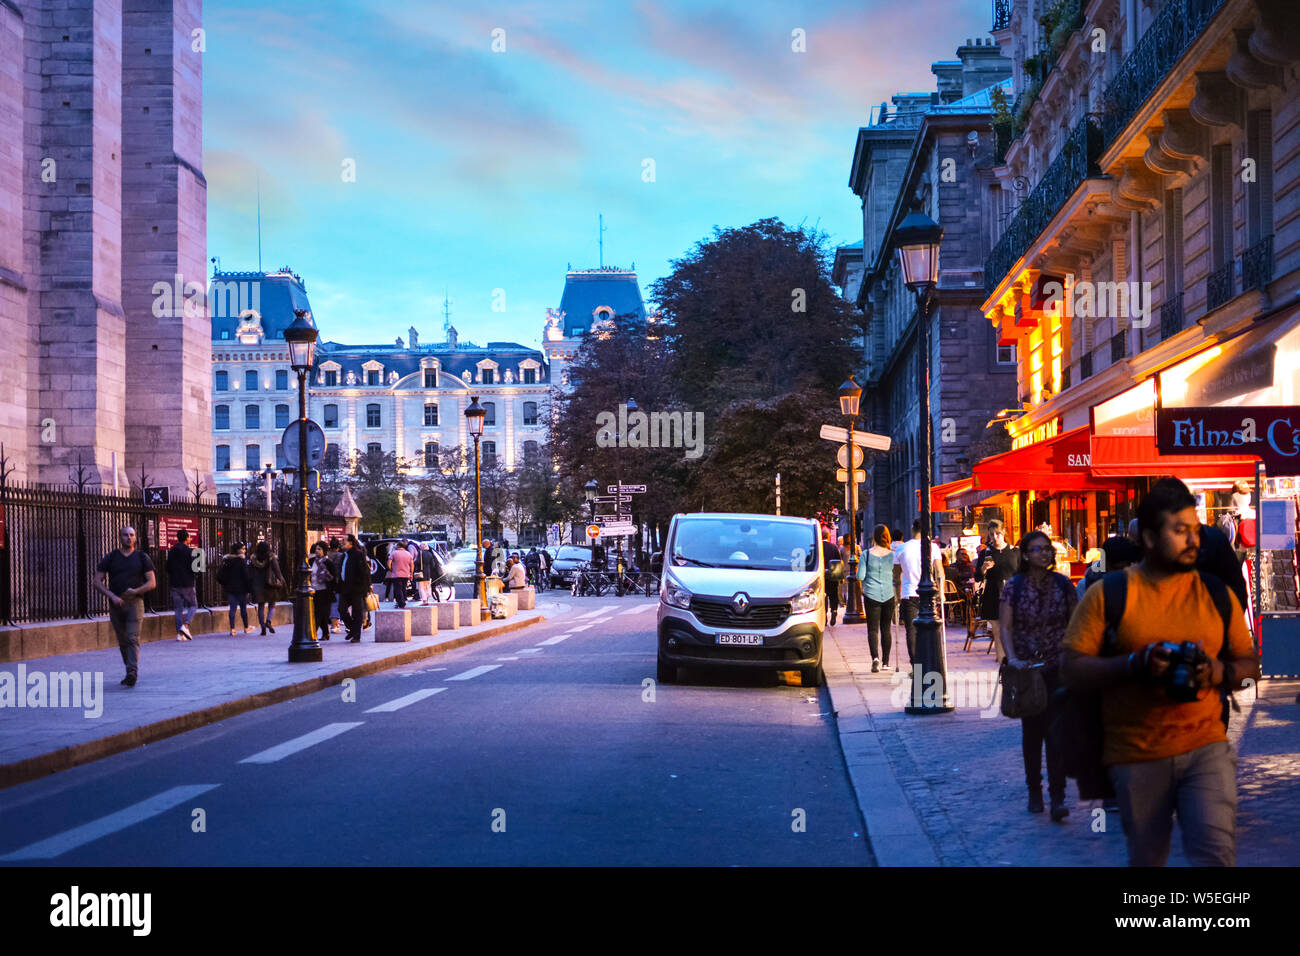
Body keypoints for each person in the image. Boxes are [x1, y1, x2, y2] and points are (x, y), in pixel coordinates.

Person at [1061, 478, 1261, 866]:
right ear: (1150, 538)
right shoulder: (1110, 594)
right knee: (1149, 857)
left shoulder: (1217, 595)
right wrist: (1135, 664)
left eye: (1196, 530)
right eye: (1179, 530)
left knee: (1216, 854)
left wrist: (1216, 672)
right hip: (1137, 754)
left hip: (1206, 747)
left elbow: (1250, 667)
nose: (1193, 540)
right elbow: (1070, 668)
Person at [1001, 530, 1079, 820]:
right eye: (1038, 549)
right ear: (1025, 555)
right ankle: (1034, 790)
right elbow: (1006, 626)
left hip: (1056, 667)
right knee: (1032, 735)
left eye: (1047, 549)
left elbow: (1075, 622)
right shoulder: (1015, 586)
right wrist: (1014, 659)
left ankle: (1057, 796)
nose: (1045, 553)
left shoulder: (1062, 584)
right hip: (1027, 672)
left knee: (1057, 735)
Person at [93, 526, 156, 687]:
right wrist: (112, 596)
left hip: (135, 603)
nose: (129, 538)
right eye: (125, 535)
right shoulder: (111, 557)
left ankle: (132, 673)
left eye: (132, 535)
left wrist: (135, 591)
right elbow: (97, 581)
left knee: (132, 638)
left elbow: (152, 583)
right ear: (119, 537)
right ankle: (129, 668)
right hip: (116, 605)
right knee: (122, 640)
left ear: (135, 538)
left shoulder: (142, 557)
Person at [894, 518, 944, 670]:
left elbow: (896, 576)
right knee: (932, 629)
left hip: (909, 593)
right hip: (929, 594)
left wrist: (897, 596)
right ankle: (932, 662)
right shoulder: (932, 547)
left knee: (912, 631)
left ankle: (916, 665)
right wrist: (941, 592)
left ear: (912, 529)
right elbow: (940, 572)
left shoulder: (902, 548)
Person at [975, 519, 1018, 660]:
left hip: (1013, 597)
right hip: (993, 596)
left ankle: (1013, 662)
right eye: (992, 534)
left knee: (1013, 632)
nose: (995, 537)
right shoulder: (985, 554)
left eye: (998, 533)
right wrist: (983, 568)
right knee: (998, 634)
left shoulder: (1015, 552)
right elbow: (977, 577)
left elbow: (1023, 574)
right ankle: (1003, 665)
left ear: (1004, 532)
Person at [857, 525, 895, 672]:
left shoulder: (866, 554)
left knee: (872, 629)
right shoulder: (892, 555)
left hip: (871, 595)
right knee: (886, 629)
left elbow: (860, 576)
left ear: (874, 537)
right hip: (888, 594)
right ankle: (886, 662)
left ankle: (875, 659)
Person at [338, 535, 373, 642]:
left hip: (357, 588)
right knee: (342, 609)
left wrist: (367, 586)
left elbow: (364, 572)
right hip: (345, 588)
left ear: (351, 543)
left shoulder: (357, 554)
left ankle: (356, 635)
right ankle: (353, 629)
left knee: (357, 612)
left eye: (344, 541)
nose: (341, 542)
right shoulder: (344, 555)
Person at [166, 528, 199, 641]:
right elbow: (195, 569)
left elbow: (168, 568)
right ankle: (185, 626)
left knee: (178, 609)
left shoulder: (172, 551)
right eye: (189, 537)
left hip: (175, 583)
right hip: (187, 583)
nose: (190, 539)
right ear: (186, 538)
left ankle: (180, 634)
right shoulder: (190, 551)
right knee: (193, 605)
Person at [217, 542, 254, 635]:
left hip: (231, 588)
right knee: (243, 609)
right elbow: (246, 576)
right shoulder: (241, 561)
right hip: (241, 589)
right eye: (243, 548)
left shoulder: (228, 560)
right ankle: (246, 627)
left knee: (232, 609)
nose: (245, 550)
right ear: (238, 550)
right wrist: (249, 588)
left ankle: (232, 629)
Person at [248, 541, 284, 635]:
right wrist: (281, 580)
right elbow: (277, 570)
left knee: (261, 606)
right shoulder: (271, 557)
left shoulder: (253, 559)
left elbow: (250, 573)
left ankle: (262, 627)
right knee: (272, 605)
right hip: (270, 585)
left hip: (258, 585)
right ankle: (268, 621)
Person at [308, 542, 335, 641]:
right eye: (316, 549)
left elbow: (333, 577)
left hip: (325, 591)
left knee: (319, 613)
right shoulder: (311, 561)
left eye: (319, 549)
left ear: (324, 551)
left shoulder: (328, 563)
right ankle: (326, 633)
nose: (317, 551)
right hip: (314, 591)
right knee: (321, 613)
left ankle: (313, 633)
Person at [821, 525, 842, 626]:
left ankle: (824, 616)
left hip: (822, 577)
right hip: (832, 576)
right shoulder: (834, 547)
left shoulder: (818, 546)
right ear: (828, 536)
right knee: (833, 596)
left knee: (823, 596)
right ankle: (834, 611)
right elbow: (839, 562)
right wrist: (839, 577)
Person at [387, 538, 413, 609]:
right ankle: (403, 600)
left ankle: (401, 603)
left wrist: (391, 569)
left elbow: (389, 563)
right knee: (403, 588)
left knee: (398, 589)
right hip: (406, 574)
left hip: (396, 574)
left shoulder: (394, 553)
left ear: (398, 546)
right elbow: (412, 565)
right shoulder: (408, 554)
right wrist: (411, 573)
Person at [327, 538, 344, 633]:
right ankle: (334, 625)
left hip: (327, 582)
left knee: (330, 603)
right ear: (338, 547)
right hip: (337, 582)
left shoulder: (326, 556)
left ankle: (335, 623)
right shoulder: (341, 556)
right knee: (336, 602)